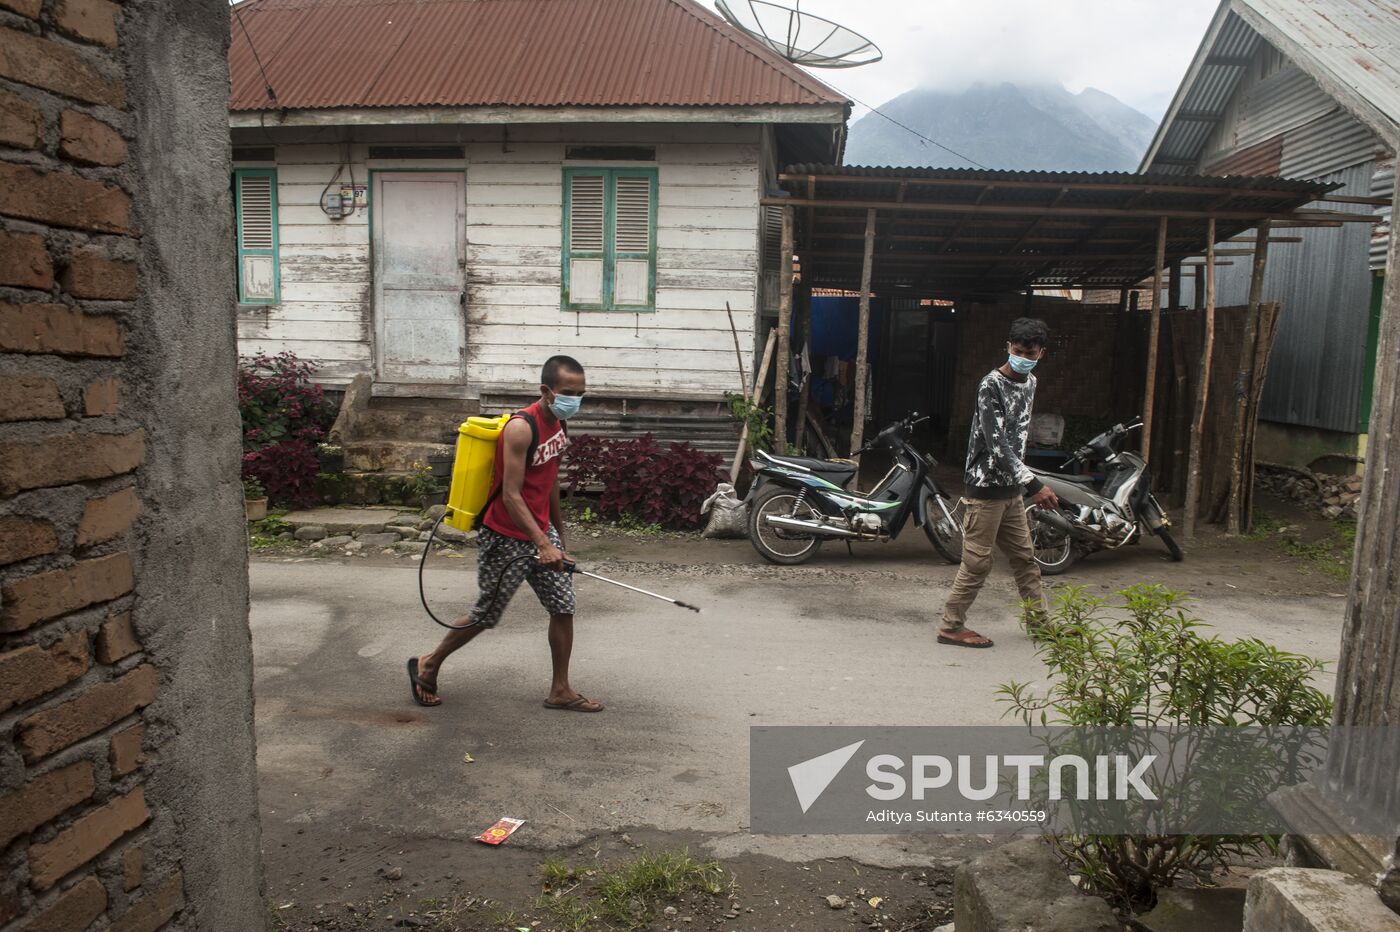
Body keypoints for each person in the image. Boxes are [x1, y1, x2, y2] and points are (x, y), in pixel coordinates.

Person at [407, 355, 603, 711]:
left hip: (541, 533)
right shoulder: (521, 428)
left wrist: (559, 538)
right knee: (487, 614)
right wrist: (542, 543)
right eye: (568, 392)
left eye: (581, 393)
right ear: (546, 391)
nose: (575, 400)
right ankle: (429, 662)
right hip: (505, 536)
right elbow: (511, 495)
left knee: (563, 607)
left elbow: (549, 483)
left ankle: (561, 690)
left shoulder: (559, 425)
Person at [938, 318, 1058, 649]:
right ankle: (950, 626)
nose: (1022, 357)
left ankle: (1040, 624)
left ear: (1040, 354)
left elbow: (1017, 439)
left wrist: (1023, 484)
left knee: (1025, 559)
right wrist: (1035, 484)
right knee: (977, 563)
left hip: (1011, 491)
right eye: (1017, 351)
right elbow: (997, 445)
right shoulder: (989, 385)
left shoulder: (1030, 382)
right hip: (985, 490)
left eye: (1029, 353)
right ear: (1008, 347)